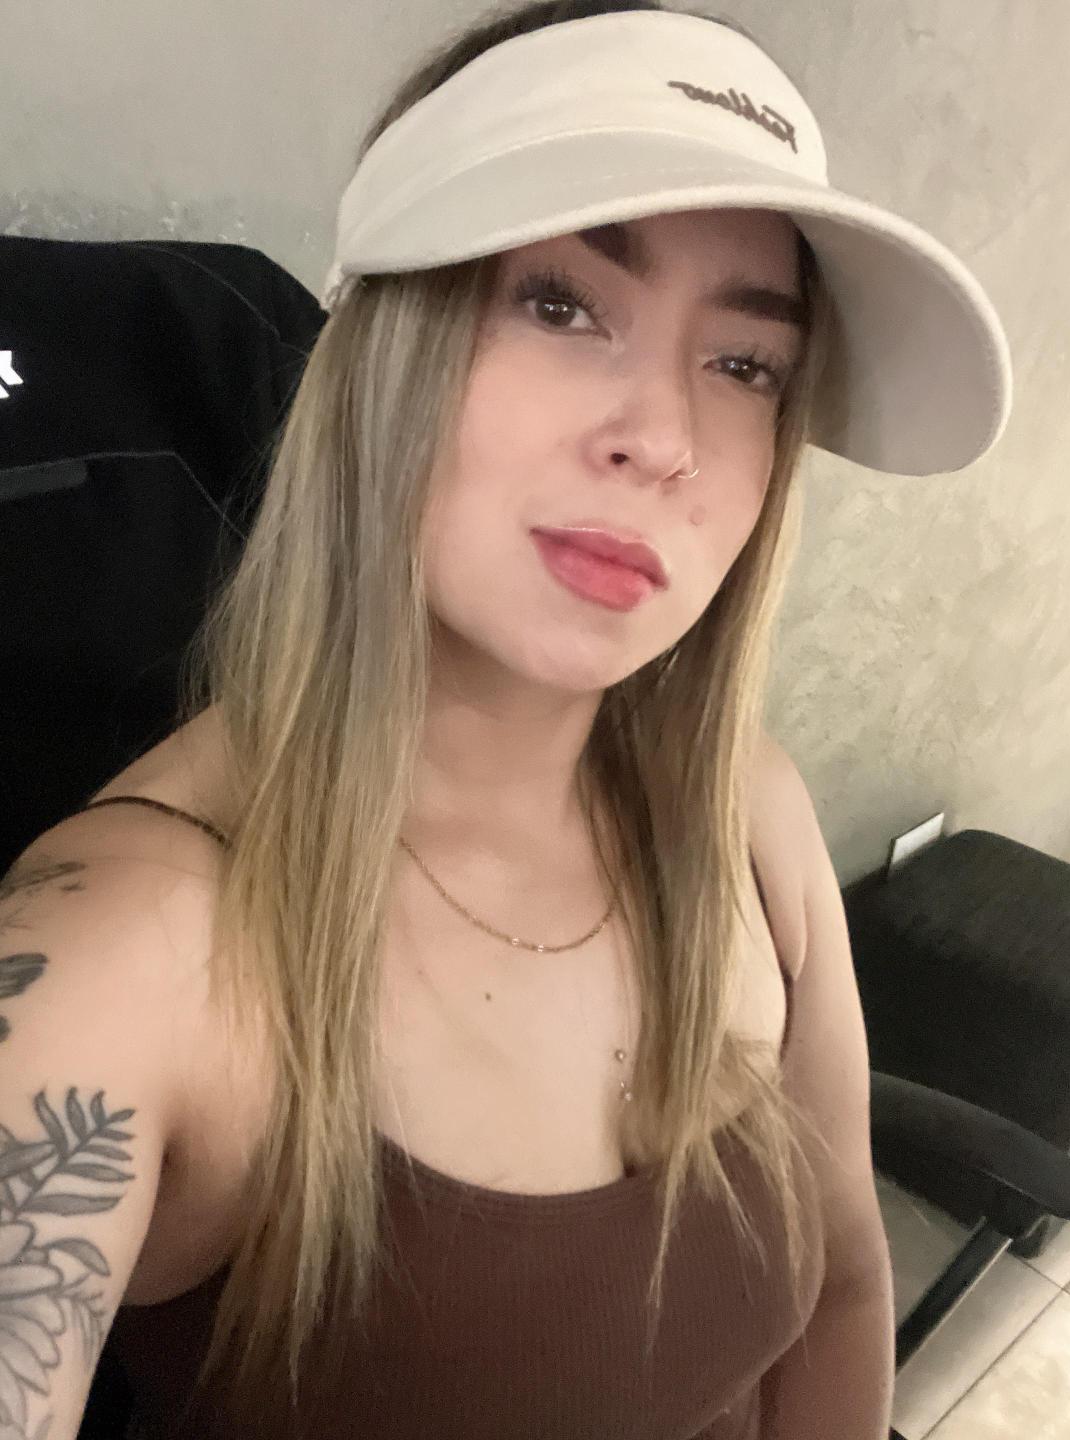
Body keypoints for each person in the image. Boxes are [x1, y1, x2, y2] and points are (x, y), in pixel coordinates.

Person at [0, 2, 1011, 1438]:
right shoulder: (129, 954)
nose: (662, 439)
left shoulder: (745, 807)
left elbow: (844, 1289)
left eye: (745, 365)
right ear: (381, 353)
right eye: (561, 305)